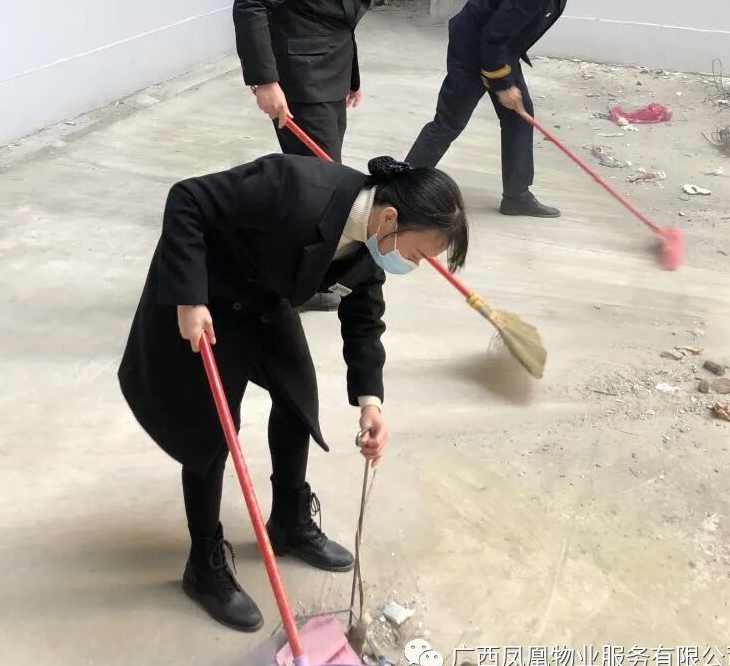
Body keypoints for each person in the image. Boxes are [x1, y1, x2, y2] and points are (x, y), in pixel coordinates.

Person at [118, 153, 469, 632]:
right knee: (212, 431)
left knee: (297, 397)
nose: (416, 264)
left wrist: (371, 403)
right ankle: (203, 563)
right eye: (418, 255)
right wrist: (189, 298)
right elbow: (188, 199)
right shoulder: (294, 188)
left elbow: (365, 319)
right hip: (208, 295)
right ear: (390, 218)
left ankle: (288, 521)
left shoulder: (370, 244)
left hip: (264, 297)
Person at [234, 0, 412, 310]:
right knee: (318, 188)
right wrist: (265, 81)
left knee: (319, 184)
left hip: (330, 76)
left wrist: (351, 75)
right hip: (300, 82)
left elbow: (335, 13)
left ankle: (305, 277)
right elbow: (251, 3)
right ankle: (283, 284)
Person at [405, 0, 630, 218]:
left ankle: (517, 196)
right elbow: (493, 36)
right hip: (473, 50)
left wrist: (505, 78)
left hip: (500, 49)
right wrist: (502, 83)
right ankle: (401, 188)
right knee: (449, 123)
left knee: (520, 118)